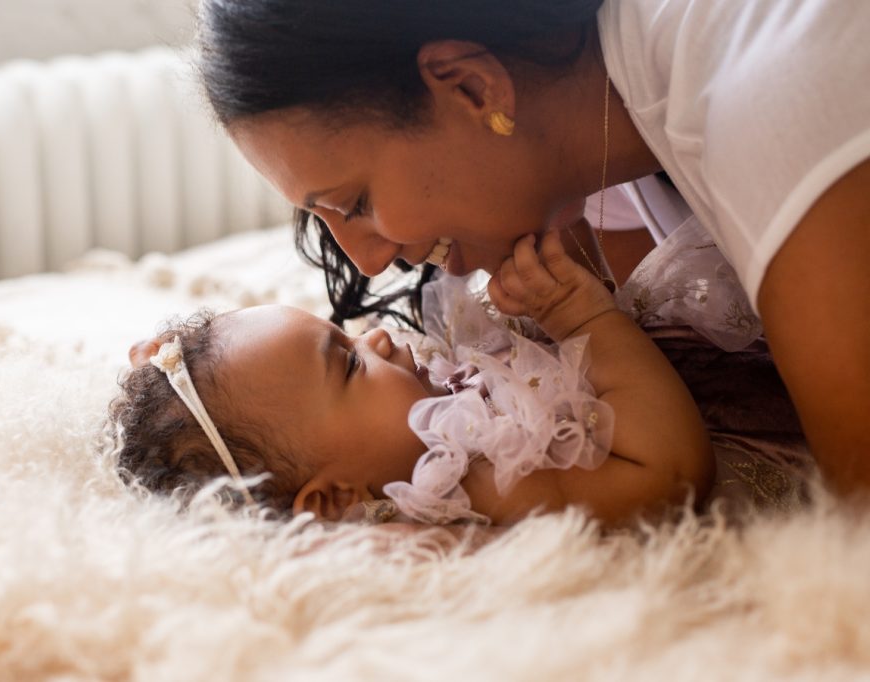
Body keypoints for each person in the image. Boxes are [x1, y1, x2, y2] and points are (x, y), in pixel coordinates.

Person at [194, 0, 870, 494]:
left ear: (472, 86)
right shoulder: (584, 166)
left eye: (357, 204)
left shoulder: (776, 97)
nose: (368, 262)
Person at [109, 229, 713, 526]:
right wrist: (586, 320)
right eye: (349, 362)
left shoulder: (440, 404)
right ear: (336, 498)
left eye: (345, 333)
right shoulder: (483, 487)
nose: (374, 336)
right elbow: (670, 472)